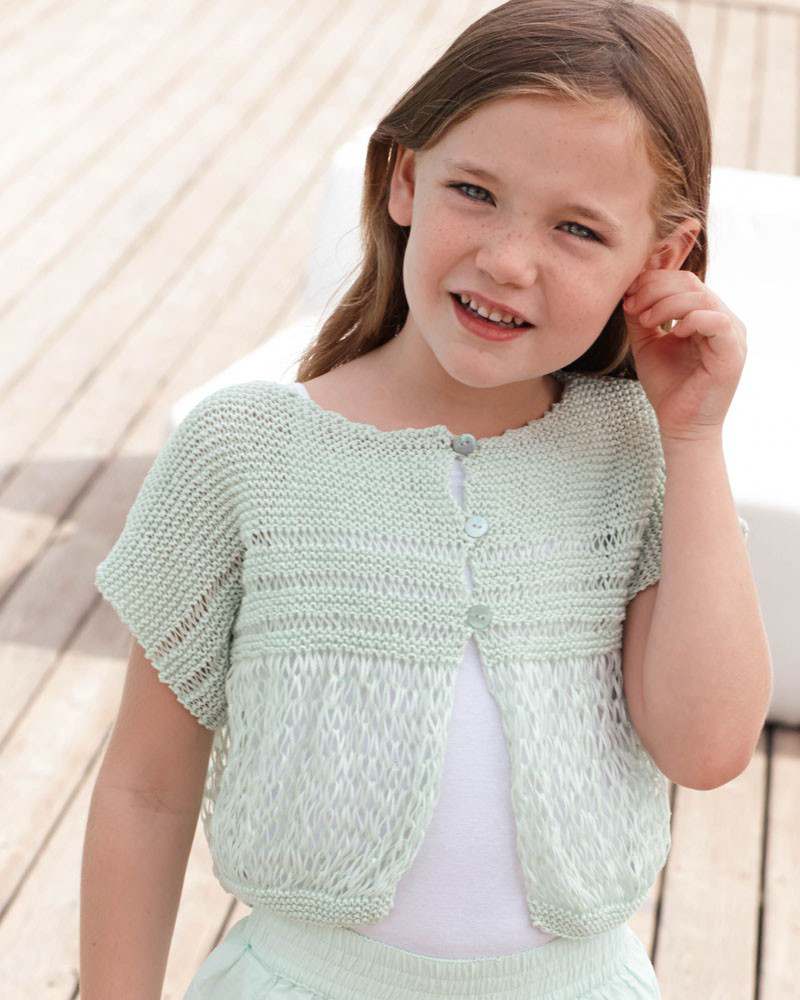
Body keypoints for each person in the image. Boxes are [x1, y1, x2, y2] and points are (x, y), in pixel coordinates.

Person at [80, 1, 772, 997]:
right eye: (475, 192)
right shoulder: (243, 454)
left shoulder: (636, 452)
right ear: (405, 176)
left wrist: (693, 439)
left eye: (578, 228)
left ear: (659, 261)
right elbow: (145, 789)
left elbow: (707, 748)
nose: (507, 260)